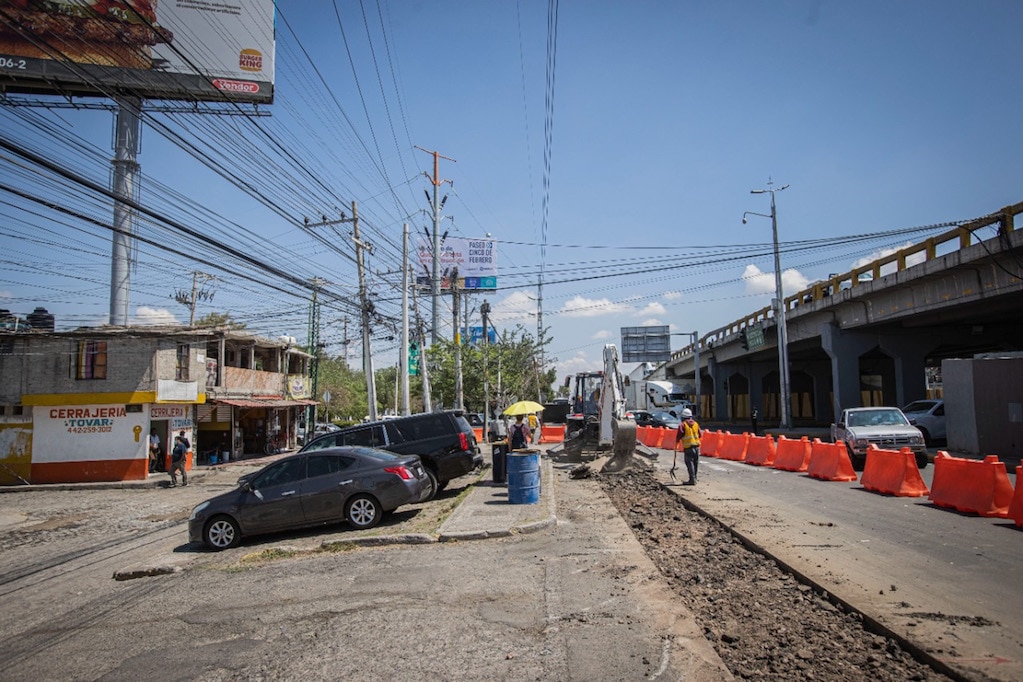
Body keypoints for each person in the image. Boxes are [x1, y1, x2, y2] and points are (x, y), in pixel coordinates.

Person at [675, 408, 702, 486]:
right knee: (695, 463)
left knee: (689, 463)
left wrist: (677, 442)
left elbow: (679, 435)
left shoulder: (683, 425)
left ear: (683, 417)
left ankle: (692, 480)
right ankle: (694, 478)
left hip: (688, 447)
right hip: (696, 447)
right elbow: (700, 434)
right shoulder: (696, 424)